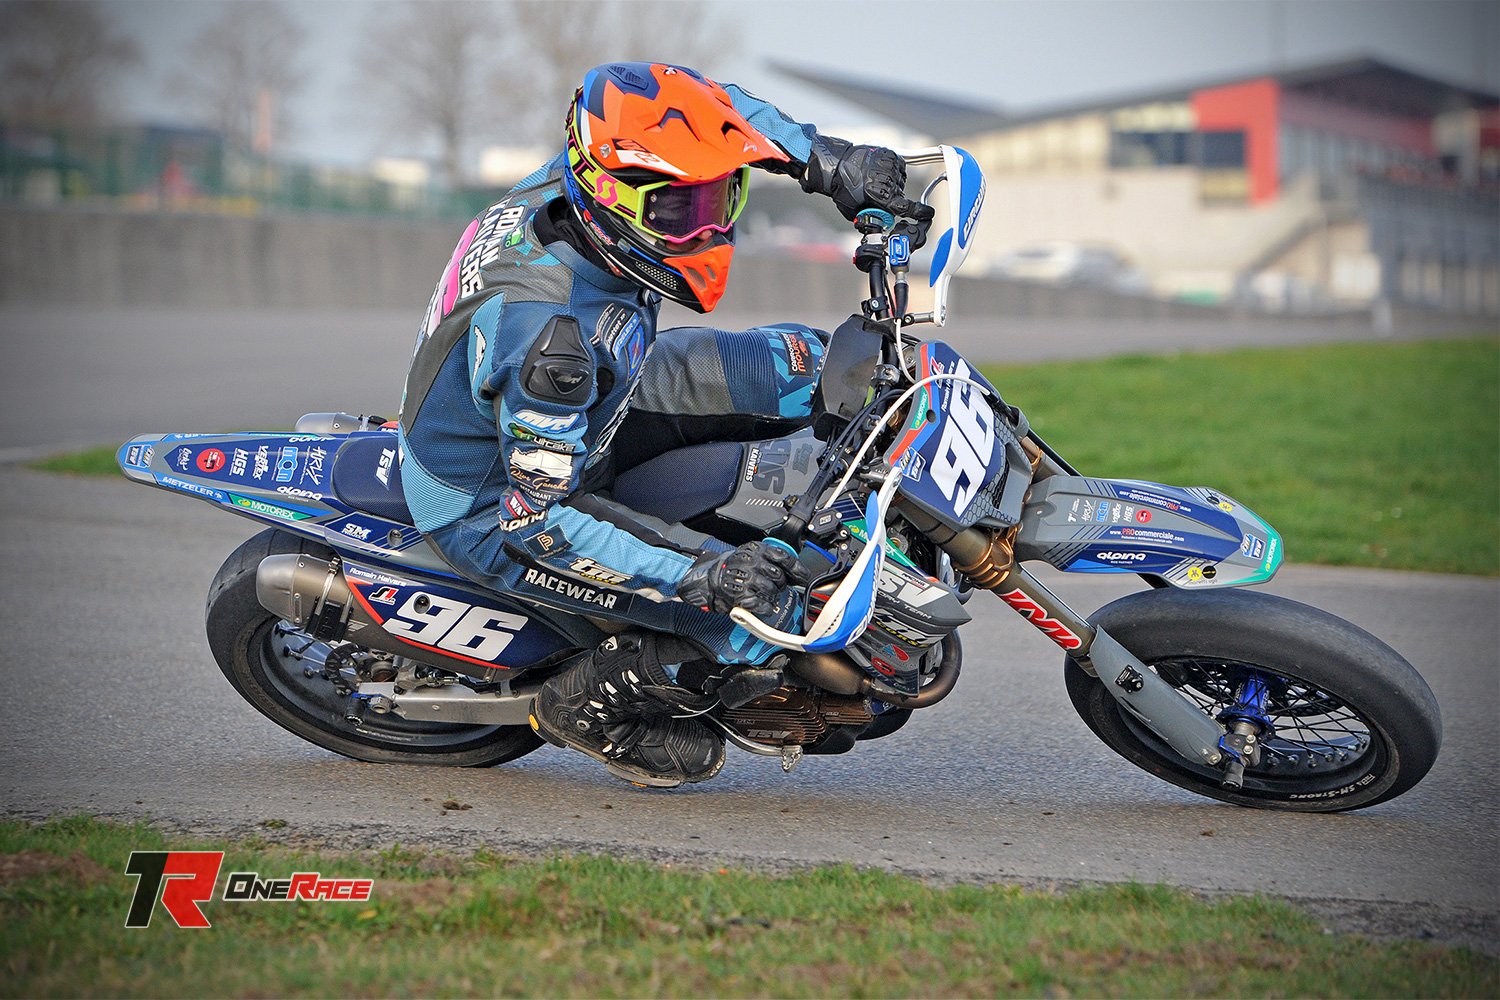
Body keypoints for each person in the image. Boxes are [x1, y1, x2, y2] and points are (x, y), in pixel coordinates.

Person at [399, 62, 931, 788]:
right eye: (681, 212)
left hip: (607, 377)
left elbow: (719, 114)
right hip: (496, 502)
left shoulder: (587, 171)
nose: (707, 229)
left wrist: (827, 161)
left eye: (719, 198)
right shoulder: (549, 344)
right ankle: (585, 709)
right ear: (611, 199)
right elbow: (536, 524)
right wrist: (704, 573)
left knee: (816, 366)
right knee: (763, 621)